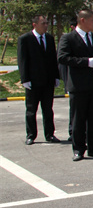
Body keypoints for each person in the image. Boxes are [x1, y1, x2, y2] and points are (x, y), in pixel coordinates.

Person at [58, 9, 93, 161]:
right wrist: (86, 62)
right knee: (78, 119)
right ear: (82, 20)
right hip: (79, 85)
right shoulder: (68, 38)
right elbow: (63, 57)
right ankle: (78, 149)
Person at [18, 14, 60, 145]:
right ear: (34, 24)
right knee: (31, 110)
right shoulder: (25, 39)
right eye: (43, 23)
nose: (46, 25)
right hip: (33, 81)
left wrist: (56, 76)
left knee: (48, 109)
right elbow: (22, 60)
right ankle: (31, 135)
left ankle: (50, 134)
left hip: (47, 80)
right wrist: (25, 79)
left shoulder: (49, 38)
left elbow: (53, 59)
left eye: (47, 23)